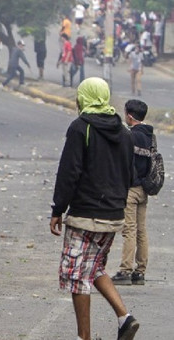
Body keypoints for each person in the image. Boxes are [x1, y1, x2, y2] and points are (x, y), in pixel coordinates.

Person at [50, 77, 139, 340]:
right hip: (113, 215)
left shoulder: (80, 127)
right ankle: (125, 318)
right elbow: (129, 175)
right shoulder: (124, 132)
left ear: (85, 97)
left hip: (85, 215)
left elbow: (69, 172)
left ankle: (84, 337)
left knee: (77, 275)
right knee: (94, 267)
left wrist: (58, 209)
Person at [112, 99, 152, 286]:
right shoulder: (150, 136)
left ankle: (125, 270)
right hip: (144, 189)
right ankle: (140, 271)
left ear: (129, 116)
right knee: (141, 231)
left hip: (131, 189)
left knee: (129, 229)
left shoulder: (129, 136)